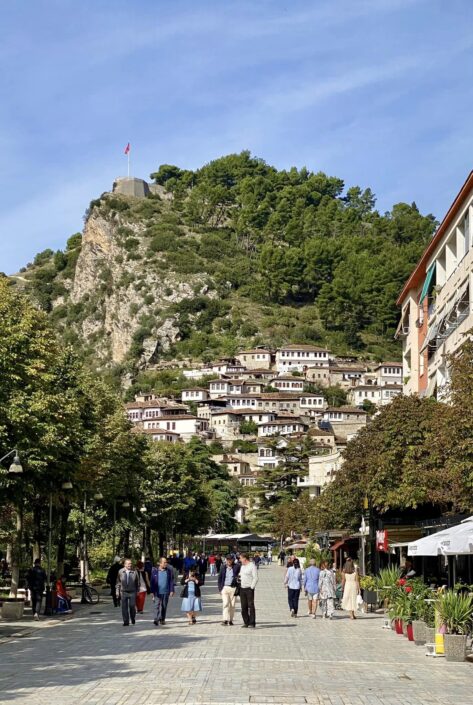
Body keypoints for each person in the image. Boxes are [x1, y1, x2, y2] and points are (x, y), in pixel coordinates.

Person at [150, 557, 175, 626]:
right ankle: (156, 619)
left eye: (166, 562)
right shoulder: (155, 571)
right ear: (160, 563)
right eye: (164, 562)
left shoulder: (169, 571)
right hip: (157, 592)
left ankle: (162, 619)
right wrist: (152, 592)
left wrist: (172, 590)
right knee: (156, 606)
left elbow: (171, 581)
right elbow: (152, 582)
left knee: (164, 606)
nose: (166, 564)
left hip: (166, 592)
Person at [218, 554, 241, 626]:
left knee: (232, 605)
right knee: (225, 603)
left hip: (233, 588)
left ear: (233, 560)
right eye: (227, 559)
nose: (229, 561)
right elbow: (219, 578)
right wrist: (220, 589)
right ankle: (225, 620)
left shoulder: (237, 566)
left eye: (230, 559)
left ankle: (230, 620)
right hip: (225, 588)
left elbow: (240, 575)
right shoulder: (223, 567)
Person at [116, 558, 140, 626]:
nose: (130, 565)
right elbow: (118, 582)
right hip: (123, 592)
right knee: (124, 607)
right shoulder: (120, 571)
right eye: (129, 564)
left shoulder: (134, 571)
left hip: (132, 592)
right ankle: (126, 621)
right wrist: (117, 592)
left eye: (131, 563)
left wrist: (137, 591)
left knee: (132, 606)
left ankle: (132, 618)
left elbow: (137, 582)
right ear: (125, 564)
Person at [239, 553, 258, 628]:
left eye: (240, 558)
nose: (240, 560)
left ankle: (252, 622)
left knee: (251, 605)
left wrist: (251, 587)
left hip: (249, 589)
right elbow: (240, 575)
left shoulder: (252, 566)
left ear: (245, 558)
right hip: (242, 588)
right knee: (243, 606)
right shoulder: (242, 566)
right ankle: (246, 622)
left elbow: (255, 578)